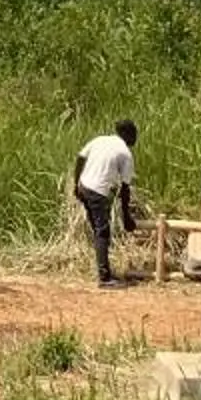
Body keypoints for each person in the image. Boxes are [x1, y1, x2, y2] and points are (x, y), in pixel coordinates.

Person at [70, 119, 140, 286]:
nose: (135, 140)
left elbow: (80, 158)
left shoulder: (99, 140)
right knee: (102, 233)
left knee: (97, 230)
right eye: (134, 135)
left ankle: (103, 269)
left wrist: (76, 183)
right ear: (128, 135)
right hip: (98, 192)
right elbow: (125, 189)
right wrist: (126, 217)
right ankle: (105, 277)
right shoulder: (125, 154)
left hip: (84, 187)